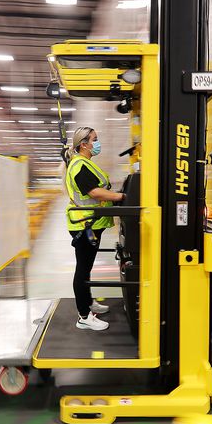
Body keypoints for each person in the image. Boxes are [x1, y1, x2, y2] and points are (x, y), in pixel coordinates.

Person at [65, 126, 125, 330]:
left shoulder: (85, 163)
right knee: (82, 270)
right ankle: (84, 316)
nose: (97, 143)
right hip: (85, 225)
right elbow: (95, 193)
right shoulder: (79, 165)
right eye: (95, 139)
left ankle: (89, 304)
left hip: (90, 223)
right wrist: (121, 197)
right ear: (84, 144)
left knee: (86, 268)